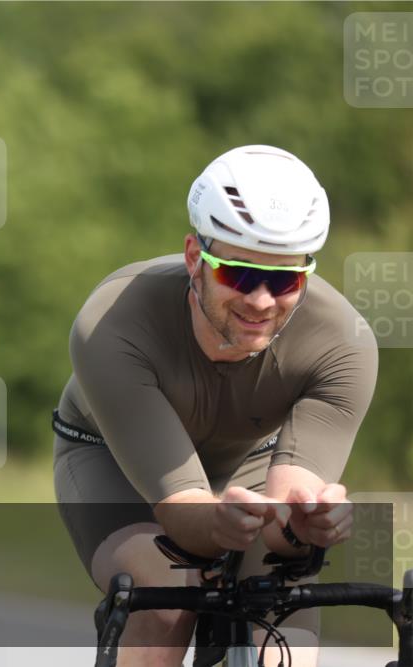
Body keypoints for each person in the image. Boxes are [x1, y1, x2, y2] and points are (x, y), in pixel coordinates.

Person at [52, 145, 378, 667]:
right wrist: (218, 527)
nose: (261, 301)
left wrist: (304, 524)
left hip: (251, 460)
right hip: (113, 463)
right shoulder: (112, 321)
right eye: (239, 274)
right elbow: (185, 516)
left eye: (285, 280)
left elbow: (286, 512)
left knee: (278, 626)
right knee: (161, 594)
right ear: (193, 257)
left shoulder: (343, 343)